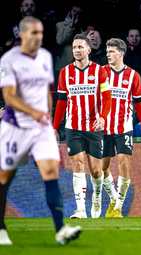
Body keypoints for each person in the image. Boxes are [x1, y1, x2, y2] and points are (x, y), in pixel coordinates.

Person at [0, 16, 81, 245]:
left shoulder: (45, 57)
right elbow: (8, 97)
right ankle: (0, 228)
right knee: (5, 176)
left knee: (50, 172)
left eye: (41, 34)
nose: (39, 38)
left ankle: (60, 229)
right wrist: (32, 112)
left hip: (40, 127)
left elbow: (47, 89)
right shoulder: (8, 60)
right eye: (34, 33)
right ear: (22, 35)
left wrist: (45, 115)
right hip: (15, 127)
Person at [52, 34, 112, 219]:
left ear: (88, 49)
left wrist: (102, 117)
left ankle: (96, 198)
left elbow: (107, 97)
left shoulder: (100, 71)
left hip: (94, 127)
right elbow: (61, 102)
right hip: (73, 127)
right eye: (74, 47)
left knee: (95, 170)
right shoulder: (65, 72)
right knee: (77, 165)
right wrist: (55, 127)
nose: (76, 50)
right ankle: (80, 209)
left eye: (80, 47)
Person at [102, 38, 141, 218]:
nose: (108, 55)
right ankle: (114, 198)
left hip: (124, 127)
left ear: (121, 53)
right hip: (104, 128)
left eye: (111, 51)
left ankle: (118, 207)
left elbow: (139, 105)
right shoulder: (101, 73)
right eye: (107, 52)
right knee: (102, 168)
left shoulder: (133, 76)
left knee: (123, 162)